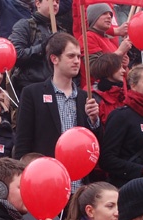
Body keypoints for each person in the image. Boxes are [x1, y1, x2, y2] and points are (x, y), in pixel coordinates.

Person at [14, 32, 100, 164]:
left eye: (78, 56)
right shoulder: (32, 94)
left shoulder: (85, 97)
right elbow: (22, 143)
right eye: (71, 56)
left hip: (79, 176)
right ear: (54, 59)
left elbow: (96, 145)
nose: (77, 61)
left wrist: (94, 121)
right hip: (46, 175)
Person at [9, 0, 63, 97]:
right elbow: (16, 55)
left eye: (58, 2)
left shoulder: (61, 31)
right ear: (38, 3)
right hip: (32, 89)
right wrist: (44, 46)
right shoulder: (25, 26)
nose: (55, 4)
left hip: (57, 88)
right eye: (51, 1)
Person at [83, 3, 131, 87]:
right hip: (96, 93)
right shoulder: (88, 37)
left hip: (114, 92)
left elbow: (118, 73)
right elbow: (94, 69)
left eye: (110, 14)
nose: (109, 16)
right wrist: (119, 52)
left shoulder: (109, 39)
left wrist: (124, 66)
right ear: (94, 17)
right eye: (104, 13)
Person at [91, 52, 126, 124]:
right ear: (109, 70)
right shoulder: (95, 97)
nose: (124, 71)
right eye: (120, 67)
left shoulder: (124, 92)